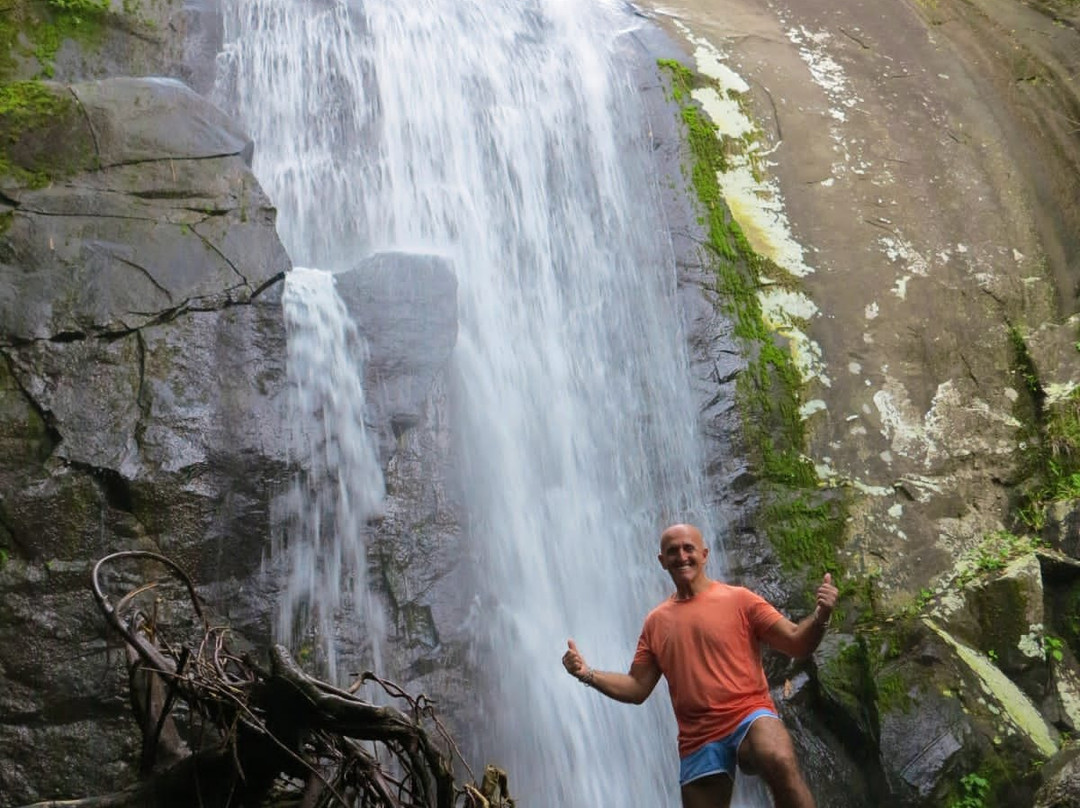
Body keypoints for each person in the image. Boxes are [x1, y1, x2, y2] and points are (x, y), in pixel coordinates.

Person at [561, 523, 838, 808]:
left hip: (748, 716)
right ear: (662, 561)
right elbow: (637, 687)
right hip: (699, 738)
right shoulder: (655, 622)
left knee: (776, 755)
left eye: (688, 548)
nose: (682, 556)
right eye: (673, 551)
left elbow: (796, 642)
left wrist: (821, 617)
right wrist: (587, 674)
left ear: (704, 554)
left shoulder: (740, 600)